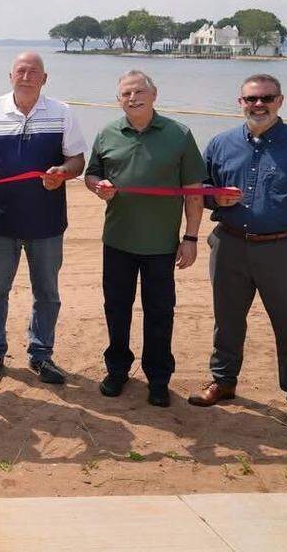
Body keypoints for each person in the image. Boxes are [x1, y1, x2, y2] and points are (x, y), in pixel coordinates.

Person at [188, 74, 287, 435]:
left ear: (280, 101)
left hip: (284, 250)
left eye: (266, 98)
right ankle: (224, 381)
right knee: (227, 320)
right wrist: (213, 197)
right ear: (240, 102)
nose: (258, 105)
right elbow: (200, 189)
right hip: (229, 244)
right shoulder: (220, 144)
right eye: (251, 99)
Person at [85, 70, 204, 408]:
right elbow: (92, 173)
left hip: (161, 245)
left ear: (154, 95)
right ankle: (118, 370)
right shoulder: (108, 133)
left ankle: (158, 378)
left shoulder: (179, 135)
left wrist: (191, 237)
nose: (133, 98)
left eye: (139, 92)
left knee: (160, 312)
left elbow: (194, 191)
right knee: (117, 308)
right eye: (126, 94)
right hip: (118, 241)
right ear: (119, 99)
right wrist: (98, 187)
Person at [0, 52, 86, 385]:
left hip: (46, 224)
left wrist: (63, 173)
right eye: (20, 71)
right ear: (10, 76)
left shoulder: (62, 113)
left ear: (44, 79)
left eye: (33, 72)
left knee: (47, 293)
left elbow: (77, 159)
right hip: (0, 222)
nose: (26, 76)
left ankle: (41, 354)